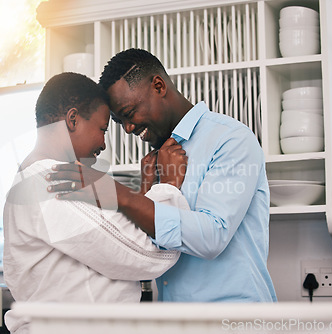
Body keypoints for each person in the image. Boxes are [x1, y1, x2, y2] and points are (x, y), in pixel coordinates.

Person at [48, 49, 277, 302]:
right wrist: (147, 192)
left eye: (130, 112)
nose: (128, 128)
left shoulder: (230, 139)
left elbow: (213, 236)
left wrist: (122, 195)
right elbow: (146, 249)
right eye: (119, 121)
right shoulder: (156, 161)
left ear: (158, 86)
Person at [3, 72, 185, 333]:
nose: (102, 144)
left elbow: (112, 243)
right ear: (73, 119)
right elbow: (150, 255)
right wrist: (169, 185)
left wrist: (144, 192)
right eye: (102, 129)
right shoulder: (54, 183)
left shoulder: (36, 178)